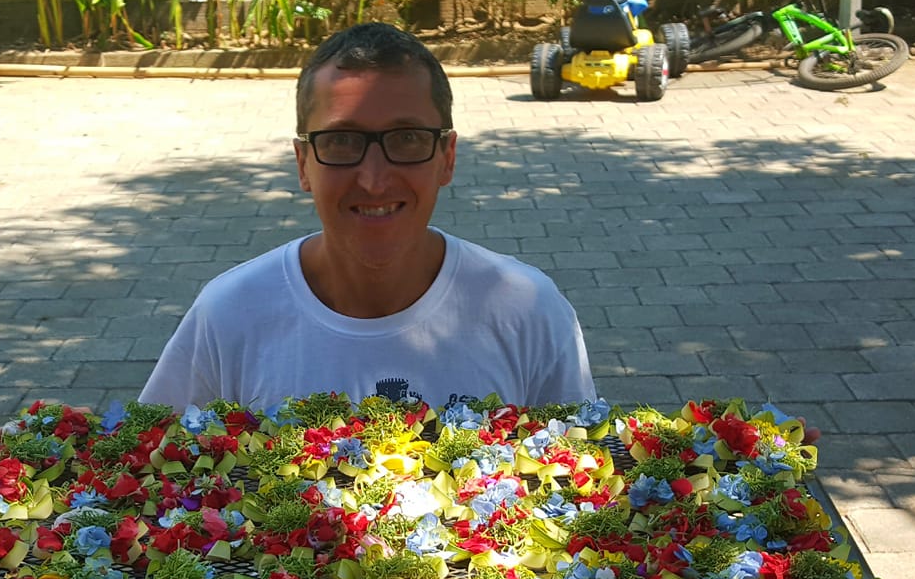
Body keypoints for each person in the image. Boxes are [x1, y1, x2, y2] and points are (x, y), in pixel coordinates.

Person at [138, 22, 596, 412]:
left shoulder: (526, 309)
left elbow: (585, 485)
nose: (374, 180)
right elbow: (142, 470)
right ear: (303, 164)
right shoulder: (230, 315)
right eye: (341, 142)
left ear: (447, 157)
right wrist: (73, 441)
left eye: (408, 138)